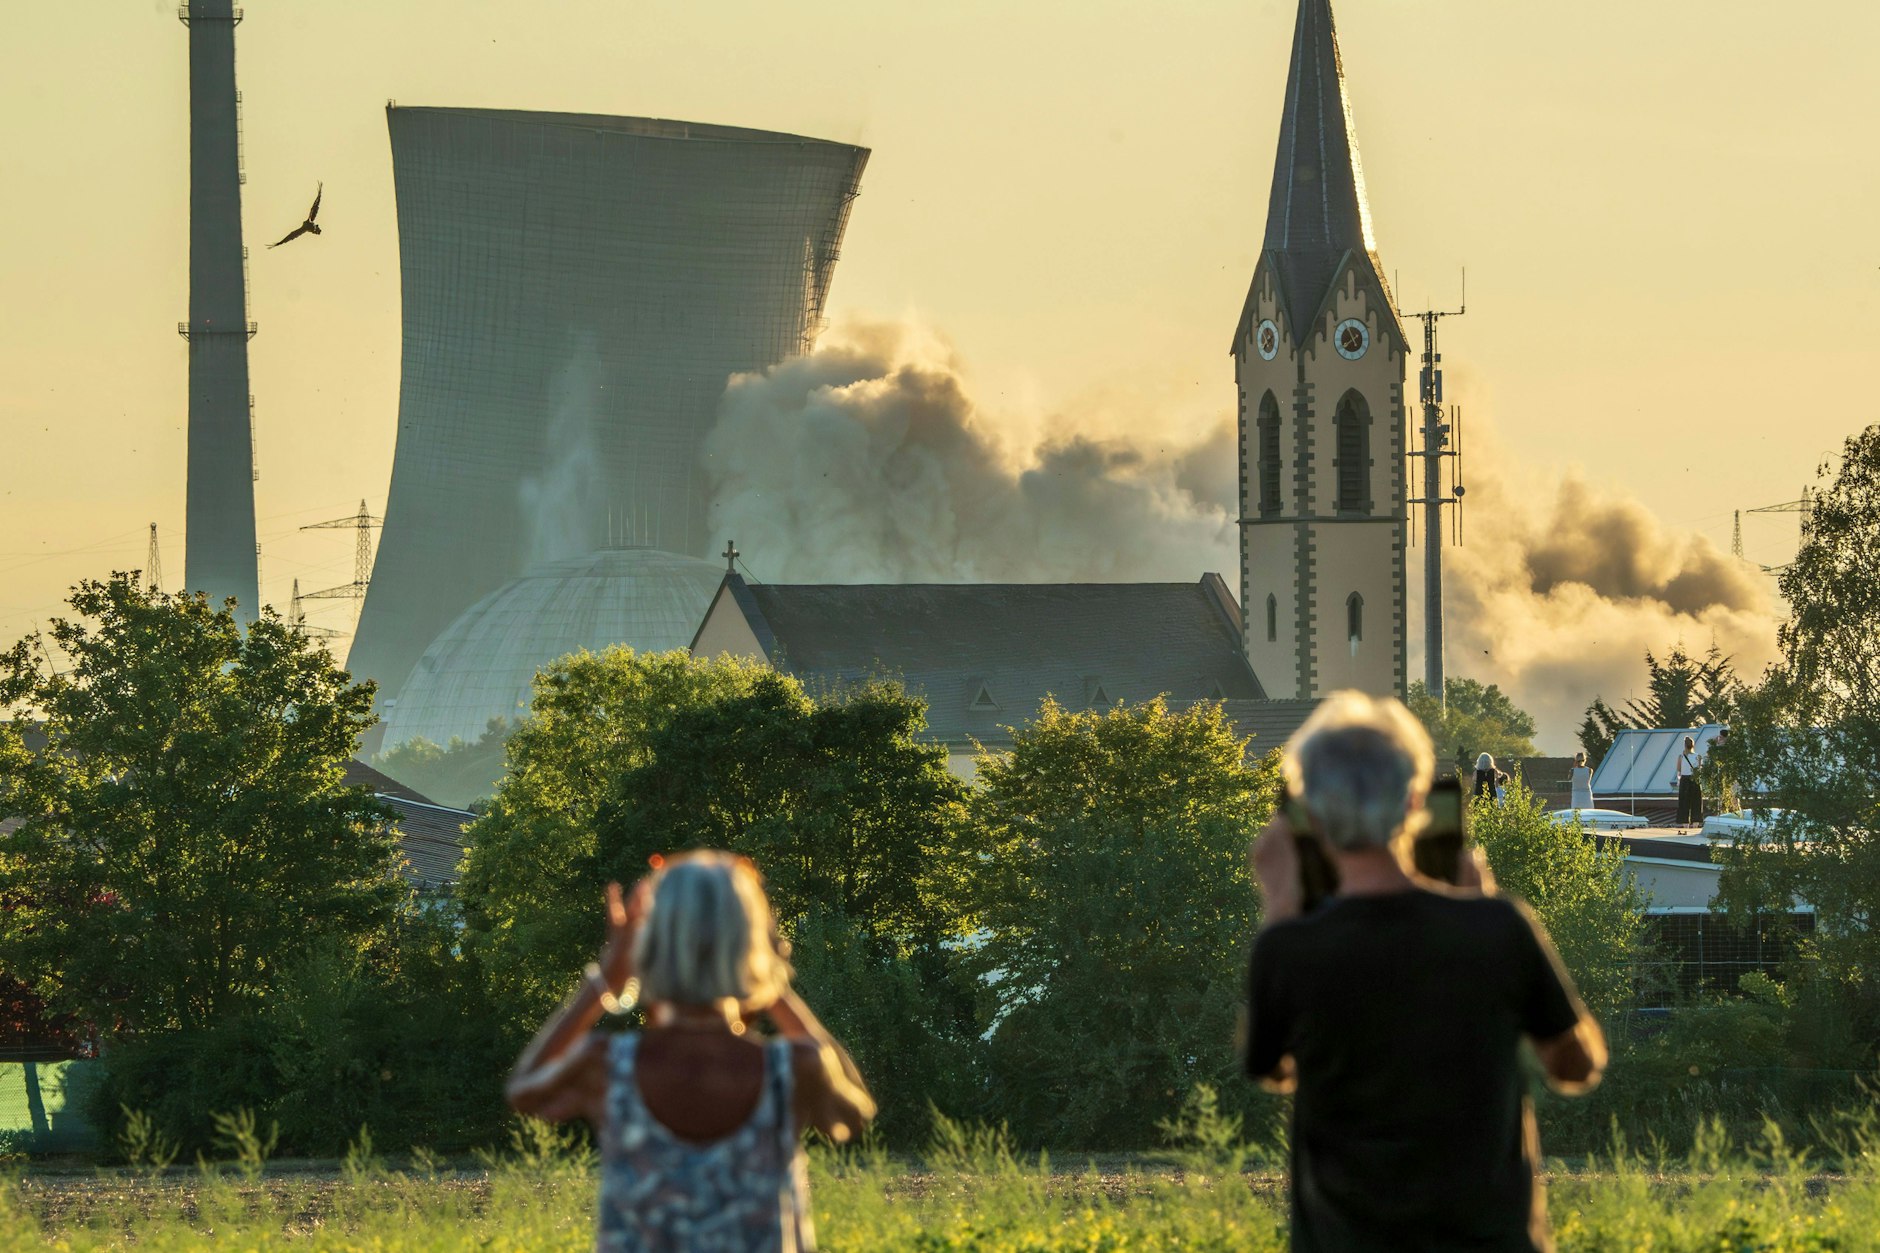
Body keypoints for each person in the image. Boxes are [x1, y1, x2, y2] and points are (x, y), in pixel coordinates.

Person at [1246, 693, 1607, 1252]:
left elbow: (1274, 1069)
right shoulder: (1497, 928)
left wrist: (1281, 907)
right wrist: (1478, 913)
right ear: (1415, 801)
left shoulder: (1290, 949)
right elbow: (1576, 1067)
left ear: (1311, 816)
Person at [506, 851, 876, 1252]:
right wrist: (772, 985)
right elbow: (855, 1114)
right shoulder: (794, 1068)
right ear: (748, 944)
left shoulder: (606, 1064)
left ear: (651, 946)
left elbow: (525, 1091)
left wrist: (607, 978)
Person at [1674, 734, 1704, 829]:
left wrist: (1679, 780)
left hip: (1685, 779)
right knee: (1696, 802)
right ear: (1693, 745)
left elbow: (1678, 769)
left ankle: (1684, 822)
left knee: (1684, 802)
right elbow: (1700, 769)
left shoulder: (1681, 757)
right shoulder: (1698, 756)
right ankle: (1696, 821)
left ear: (1685, 745)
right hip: (1695, 780)